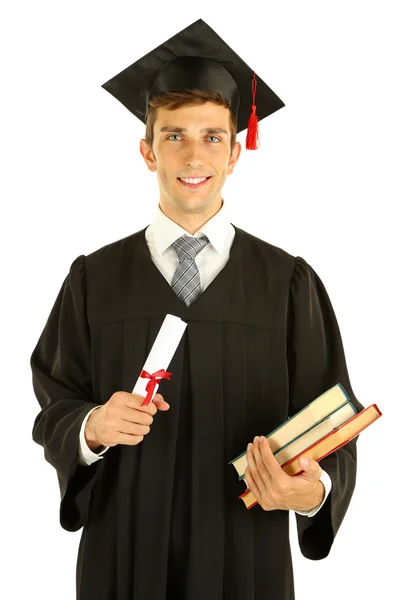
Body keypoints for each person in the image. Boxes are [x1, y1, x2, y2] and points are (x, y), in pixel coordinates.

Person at [30, 18, 364, 600]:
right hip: (123, 553)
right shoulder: (94, 278)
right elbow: (55, 403)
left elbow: (331, 425)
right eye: (174, 135)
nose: (193, 154)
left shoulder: (287, 281)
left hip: (245, 556)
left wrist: (309, 494)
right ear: (146, 149)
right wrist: (93, 427)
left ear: (235, 152)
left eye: (213, 137)